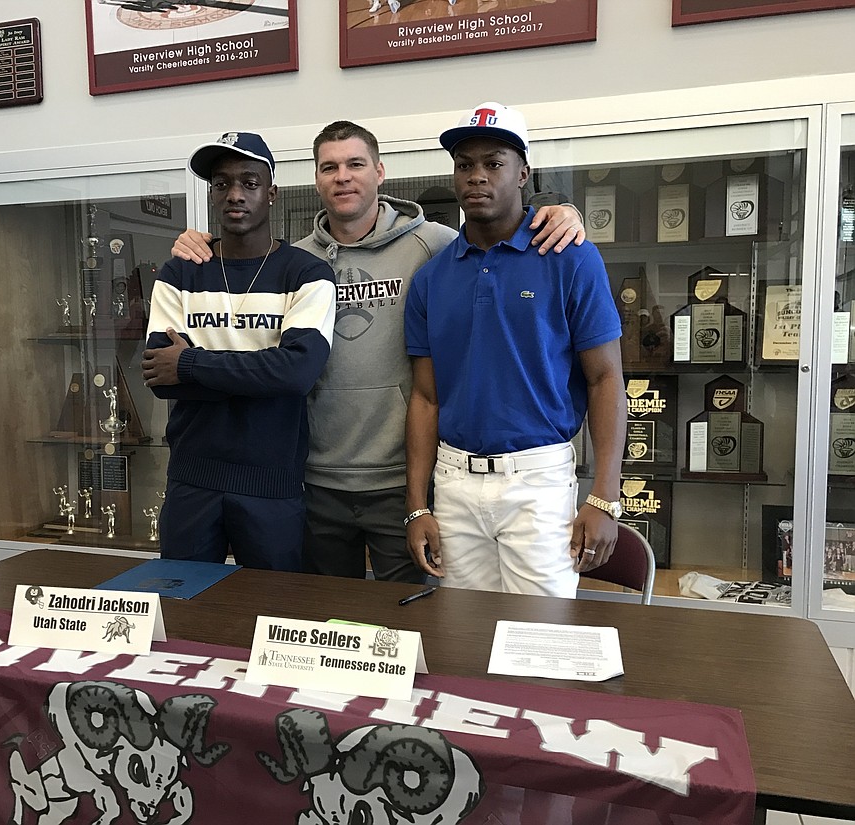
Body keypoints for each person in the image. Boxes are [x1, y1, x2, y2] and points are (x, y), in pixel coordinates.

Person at [172, 121, 585, 583]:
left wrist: (560, 211)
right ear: (315, 180)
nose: (342, 177)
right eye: (329, 167)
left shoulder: (434, 245)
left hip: (401, 481)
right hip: (314, 477)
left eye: (355, 164)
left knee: (410, 626)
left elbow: (495, 244)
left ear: (380, 172)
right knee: (326, 623)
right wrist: (203, 244)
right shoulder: (295, 262)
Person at [404, 101, 626, 597]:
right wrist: (417, 505)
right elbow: (425, 398)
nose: (477, 177)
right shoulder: (433, 277)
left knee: (540, 646)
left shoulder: (570, 257)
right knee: (462, 640)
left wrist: (606, 497)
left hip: (538, 479)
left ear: (523, 173)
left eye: (494, 163)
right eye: (465, 166)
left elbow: (606, 379)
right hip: (454, 480)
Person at [142, 131, 336, 571]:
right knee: (184, 616)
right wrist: (259, 373)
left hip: (272, 485)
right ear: (212, 195)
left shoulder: (306, 273)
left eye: (249, 183)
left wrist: (189, 364)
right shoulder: (181, 273)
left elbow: (296, 374)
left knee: (273, 616)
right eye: (222, 183)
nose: (235, 194)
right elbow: (158, 376)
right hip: (192, 481)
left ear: (272, 194)